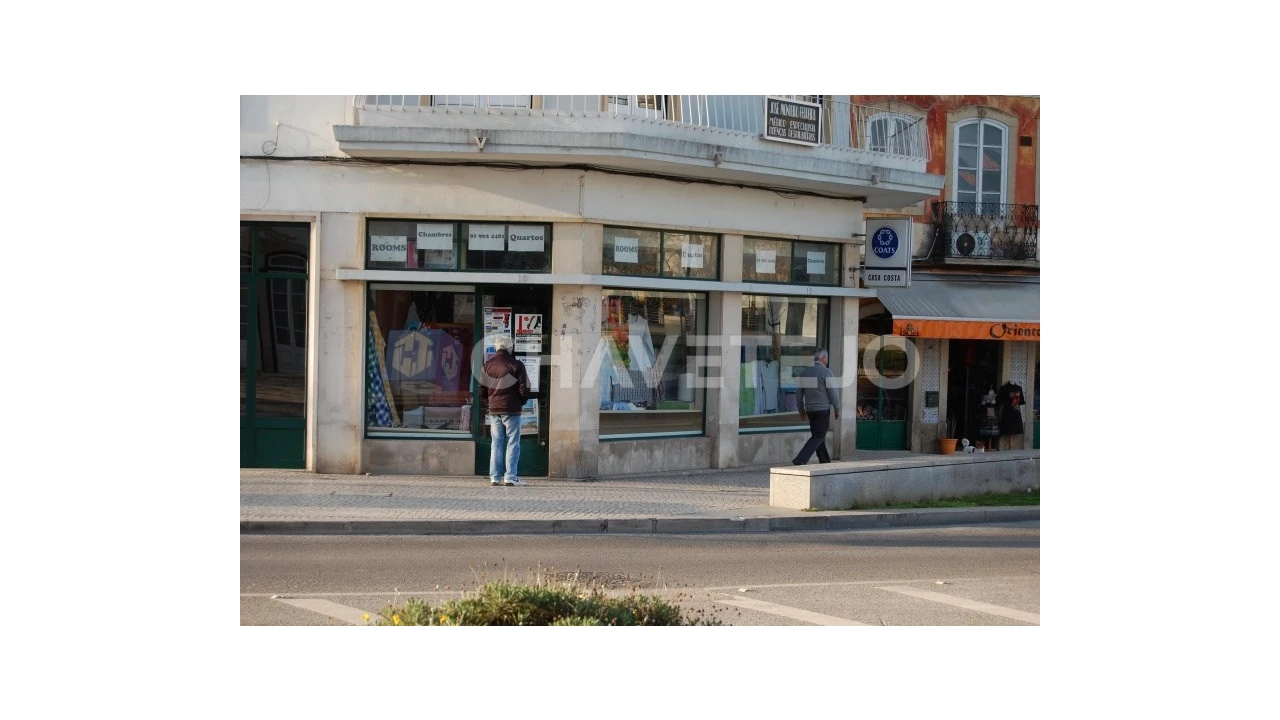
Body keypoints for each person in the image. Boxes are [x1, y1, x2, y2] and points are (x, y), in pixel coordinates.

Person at [480, 335, 531, 486]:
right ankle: (510, 476)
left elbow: (482, 388)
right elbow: (524, 387)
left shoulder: (487, 365)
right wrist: (521, 401)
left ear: (496, 348)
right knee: (513, 443)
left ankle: (495, 477)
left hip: (494, 409)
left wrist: (490, 401)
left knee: (496, 443)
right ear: (510, 348)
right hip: (512, 409)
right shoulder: (517, 364)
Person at [792, 349, 841, 465]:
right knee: (818, 436)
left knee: (818, 435)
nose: (827, 361)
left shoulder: (805, 373)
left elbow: (799, 394)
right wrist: (837, 408)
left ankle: (824, 460)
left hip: (810, 411)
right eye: (826, 358)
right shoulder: (826, 372)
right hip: (822, 410)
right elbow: (833, 393)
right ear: (823, 358)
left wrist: (801, 410)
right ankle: (800, 459)